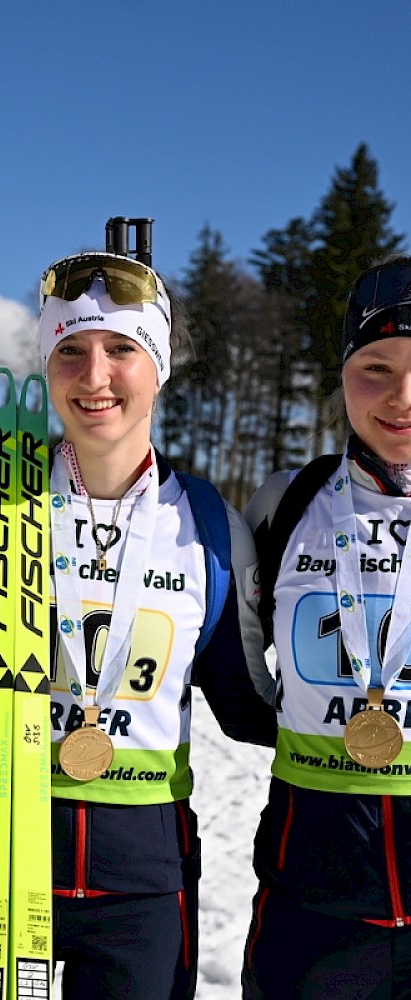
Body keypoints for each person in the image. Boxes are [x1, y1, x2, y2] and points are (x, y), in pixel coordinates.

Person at [0, 241, 278, 999]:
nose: (95, 375)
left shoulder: (211, 526)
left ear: (160, 366)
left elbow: (246, 706)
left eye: (122, 349)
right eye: (70, 351)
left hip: (142, 872)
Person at [242, 255, 411, 998]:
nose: (401, 395)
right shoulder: (289, 502)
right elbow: (232, 660)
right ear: (342, 372)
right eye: (375, 365)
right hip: (313, 897)